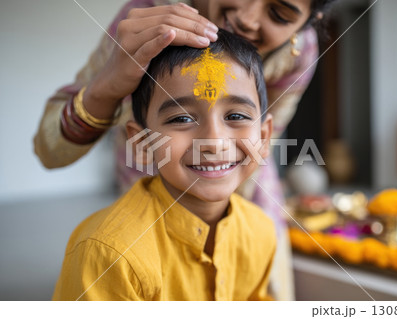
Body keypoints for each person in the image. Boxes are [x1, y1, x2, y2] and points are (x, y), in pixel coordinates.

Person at [35, 0, 336, 300]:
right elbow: (49, 150)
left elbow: (257, 142)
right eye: (181, 116)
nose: (247, 19)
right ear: (139, 141)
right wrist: (108, 85)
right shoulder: (145, 18)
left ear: (307, 21)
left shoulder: (299, 50)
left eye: (279, 14)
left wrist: (232, 228)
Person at [53, 29, 276, 301]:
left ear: (263, 137)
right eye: (181, 119)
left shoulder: (259, 230)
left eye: (236, 115)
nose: (214, 142)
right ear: (143, 143)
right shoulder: (109, 254)